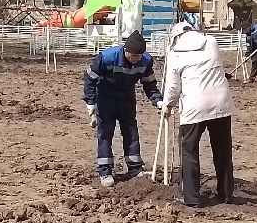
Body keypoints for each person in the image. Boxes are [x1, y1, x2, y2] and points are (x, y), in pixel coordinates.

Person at [163, 20, 236, 207]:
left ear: (176, 37)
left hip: (194, 105)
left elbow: (173, 86)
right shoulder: (211, 42)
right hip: (220, 102)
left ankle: (190, 197)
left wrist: (168, 105)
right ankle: (226, 193)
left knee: (188, 150)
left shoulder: (174, 54)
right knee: (222, 149)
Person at [83, 30, 162, 187]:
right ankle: (105, 172)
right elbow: (90, 78)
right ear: (125, 50)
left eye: (139, 56)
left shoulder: (146, 61)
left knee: (131, 132)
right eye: (133, 56)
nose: (135, 60)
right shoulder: (107, 57)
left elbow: (149, 83)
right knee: (105, 133)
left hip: (127, 97)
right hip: (106, 96)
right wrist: (91, 102)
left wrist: (157, 100)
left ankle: (135, 169)